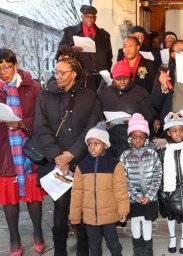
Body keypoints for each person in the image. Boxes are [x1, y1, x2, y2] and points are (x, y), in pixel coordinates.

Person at [34, 56, 103, 256]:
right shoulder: (45, 95)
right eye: (56, 72)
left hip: (82, 159)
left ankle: (83, 250)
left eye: (62, 72)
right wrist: (58, 157)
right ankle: (60, 251)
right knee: (61, 205)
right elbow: (41, 128)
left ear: (74, 74)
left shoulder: (89, 96)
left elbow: (92, 128)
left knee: (81, 206)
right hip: (57, 163)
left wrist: (71, 154)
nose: (57, 76)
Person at [0, 49, 46, 256]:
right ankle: (14, 237)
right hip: (5, 152)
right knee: (9, 197)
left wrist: (23, 124)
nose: (3, 71)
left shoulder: (32, 87)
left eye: (7, 66)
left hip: (29, 150)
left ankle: (37, 232)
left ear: (15, 66)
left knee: (33, 196)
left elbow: (43, 118)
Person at [70, 122, 129, 256]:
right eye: (89, 144)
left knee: (113, 244)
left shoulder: (114, 164)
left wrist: (123, 210)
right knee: (94, 246)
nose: (92, 148)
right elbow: (77, 193)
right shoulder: (82, 166)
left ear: (105, 145)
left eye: (96, 144)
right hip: (90, 218)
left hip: (108, 215)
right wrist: (74, 215)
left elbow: (120, 189)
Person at [154, 110, 183, 254]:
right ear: (168, 133)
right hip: (169, 190)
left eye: (181, 131)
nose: (178, 134)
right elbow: (159, 171)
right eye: (174, 131)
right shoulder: (163, 150)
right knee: (170, 216)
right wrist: (162, 191)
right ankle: (172, 238)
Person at [120, 113, 162, 256]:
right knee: (136, 220)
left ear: (146, 139)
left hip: (151, 198)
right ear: (129, 137)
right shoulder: (125, 156)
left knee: (147, 221)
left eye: (141, 137)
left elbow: (158, 175)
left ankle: (148, 249)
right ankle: (137, 248)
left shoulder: (152, 153)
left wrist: (150, 195)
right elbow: (124, 179)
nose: (137, 140)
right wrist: (137, 196)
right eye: (134, 137)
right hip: (133, 198)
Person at [99, 61, 155, 157]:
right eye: (118, 79)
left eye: (125, 78)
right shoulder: (105, 93)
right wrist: (104, 123)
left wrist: (134, 122)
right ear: (113, 78)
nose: (122, 81)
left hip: (133, 141)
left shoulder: (140, 92)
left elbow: (150, 115)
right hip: (111, 141)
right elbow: (98, 114)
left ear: (130, 77)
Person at [57, 5, 112, 87]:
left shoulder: (104, 35)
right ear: (82, 17)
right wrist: (71, 50)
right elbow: (59, 54)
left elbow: (109, 58)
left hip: (100, 80)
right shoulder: (70, 33)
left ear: (95, 18)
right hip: (79, 79)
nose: (90, 19)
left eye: (92, 17)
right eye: (87, 16)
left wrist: (106, 75)